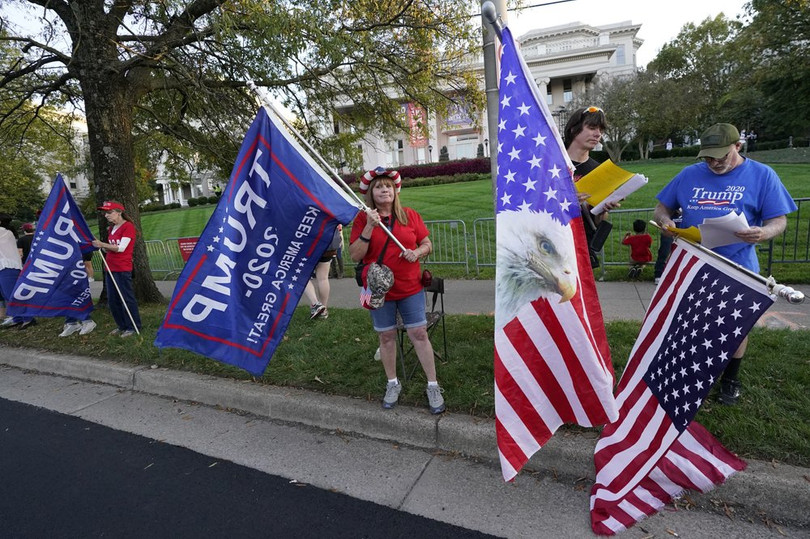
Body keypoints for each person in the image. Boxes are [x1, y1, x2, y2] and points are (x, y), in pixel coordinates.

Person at [654, 123, 797, 406]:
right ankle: (691, 374)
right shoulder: (689, 174)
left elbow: (779, 220)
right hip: (693, 263)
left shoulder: (762, 175)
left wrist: (763, 233)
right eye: (708, 157)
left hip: (738, 266)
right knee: (690, 322)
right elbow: (662, 207)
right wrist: (665, 221)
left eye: (720, 156)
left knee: (734, 326)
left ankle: (731, 378)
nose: (714, 163)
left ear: (738, 147)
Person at [349, 167, 445, 414]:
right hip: (379, 291)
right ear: (371, 193)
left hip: (410, 286)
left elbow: (427, 243)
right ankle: (392, 383)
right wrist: (370, 227)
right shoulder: (363, 219)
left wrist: (418, 252)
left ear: (395, 191)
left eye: (388, 186)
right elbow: (354, 255)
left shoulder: (409, 216)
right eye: (379, 187)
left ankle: (433, 385)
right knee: (386, 337)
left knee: (419, 333)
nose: (384, 190)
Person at [563, 106, 620, 268]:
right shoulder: (553, 165)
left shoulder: (600, 170)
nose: (598, 134)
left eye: (600, 129)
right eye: (592, 128)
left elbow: (597, 219)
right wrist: (567, 201)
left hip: (584, 250)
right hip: (552, 248)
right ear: (574, 129)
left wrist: (603, 209)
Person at [92, 201, 141, 338]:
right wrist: (101, 246)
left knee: (126, 298)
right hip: (110, 267)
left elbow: (121, 248)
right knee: (113, 300)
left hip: (122, 268)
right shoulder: (111, 229)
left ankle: (133, 326)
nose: (106, 215)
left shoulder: (128, 227)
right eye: (105, 212)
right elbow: (110, 247)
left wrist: (102, 244)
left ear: (119, 212)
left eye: (109, 212)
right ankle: (122, 326)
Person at [304, 224, 342, 319]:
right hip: (329, 242)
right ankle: (323, 310)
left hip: (310, 241)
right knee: (323, 278)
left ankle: (315, 304)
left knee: (301, 276)